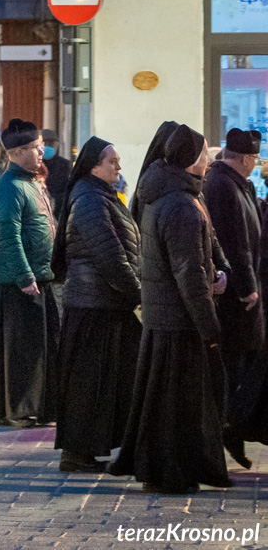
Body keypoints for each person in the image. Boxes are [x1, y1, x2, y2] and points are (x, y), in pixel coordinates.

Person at [109, 124, 231, 494]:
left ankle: (169, 469)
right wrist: (209, 325)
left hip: (166, 315)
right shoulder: (180, 204)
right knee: (176, 403)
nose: (210, 160)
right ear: (190, 159)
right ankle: (170, 471)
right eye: (205, 153)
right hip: (178, 319)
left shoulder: (171, 195)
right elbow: (188, 272)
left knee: (165, 400)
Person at [50, 137, 141, 472]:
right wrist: (137, 292)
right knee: (88, 383)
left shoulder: (100, 194)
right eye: (112, 161)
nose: (118, 166)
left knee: (109, 380)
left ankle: (93, 448)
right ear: (93, 166)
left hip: (105, 303)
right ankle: (78, 452)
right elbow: (109, 253)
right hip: (94, 305)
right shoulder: (89, 198)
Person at [0, 119, 59, 427]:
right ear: (16, 152)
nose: (41, 152)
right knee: (22, 351)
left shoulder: (31, 181)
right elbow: (9, 234)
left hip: (42, 275)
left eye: (41, 146)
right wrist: (24, 276)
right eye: (34, 147)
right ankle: (18, 408)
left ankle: (41, 405)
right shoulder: (10, 186)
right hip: (23, 281)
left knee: (43, 348)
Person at [203, 127, 265, 469]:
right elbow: (235, 244)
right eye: (254, 159)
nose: (256, 164)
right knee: (234, 365)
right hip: (237, 298)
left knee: (244, 364)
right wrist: (247, 286)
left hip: (246, 291)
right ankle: (229, 427)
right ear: (243, 158)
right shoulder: (222, 185)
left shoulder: (242, 183)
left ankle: (235, 427)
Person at [41, 129, 71, 220]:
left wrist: (55, 199)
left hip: (59, 214)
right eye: (44, 143)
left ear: (57, 146)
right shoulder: (33, 165)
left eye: (51, 143)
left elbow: (68, 190)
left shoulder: (65, 165)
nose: (47, 146)